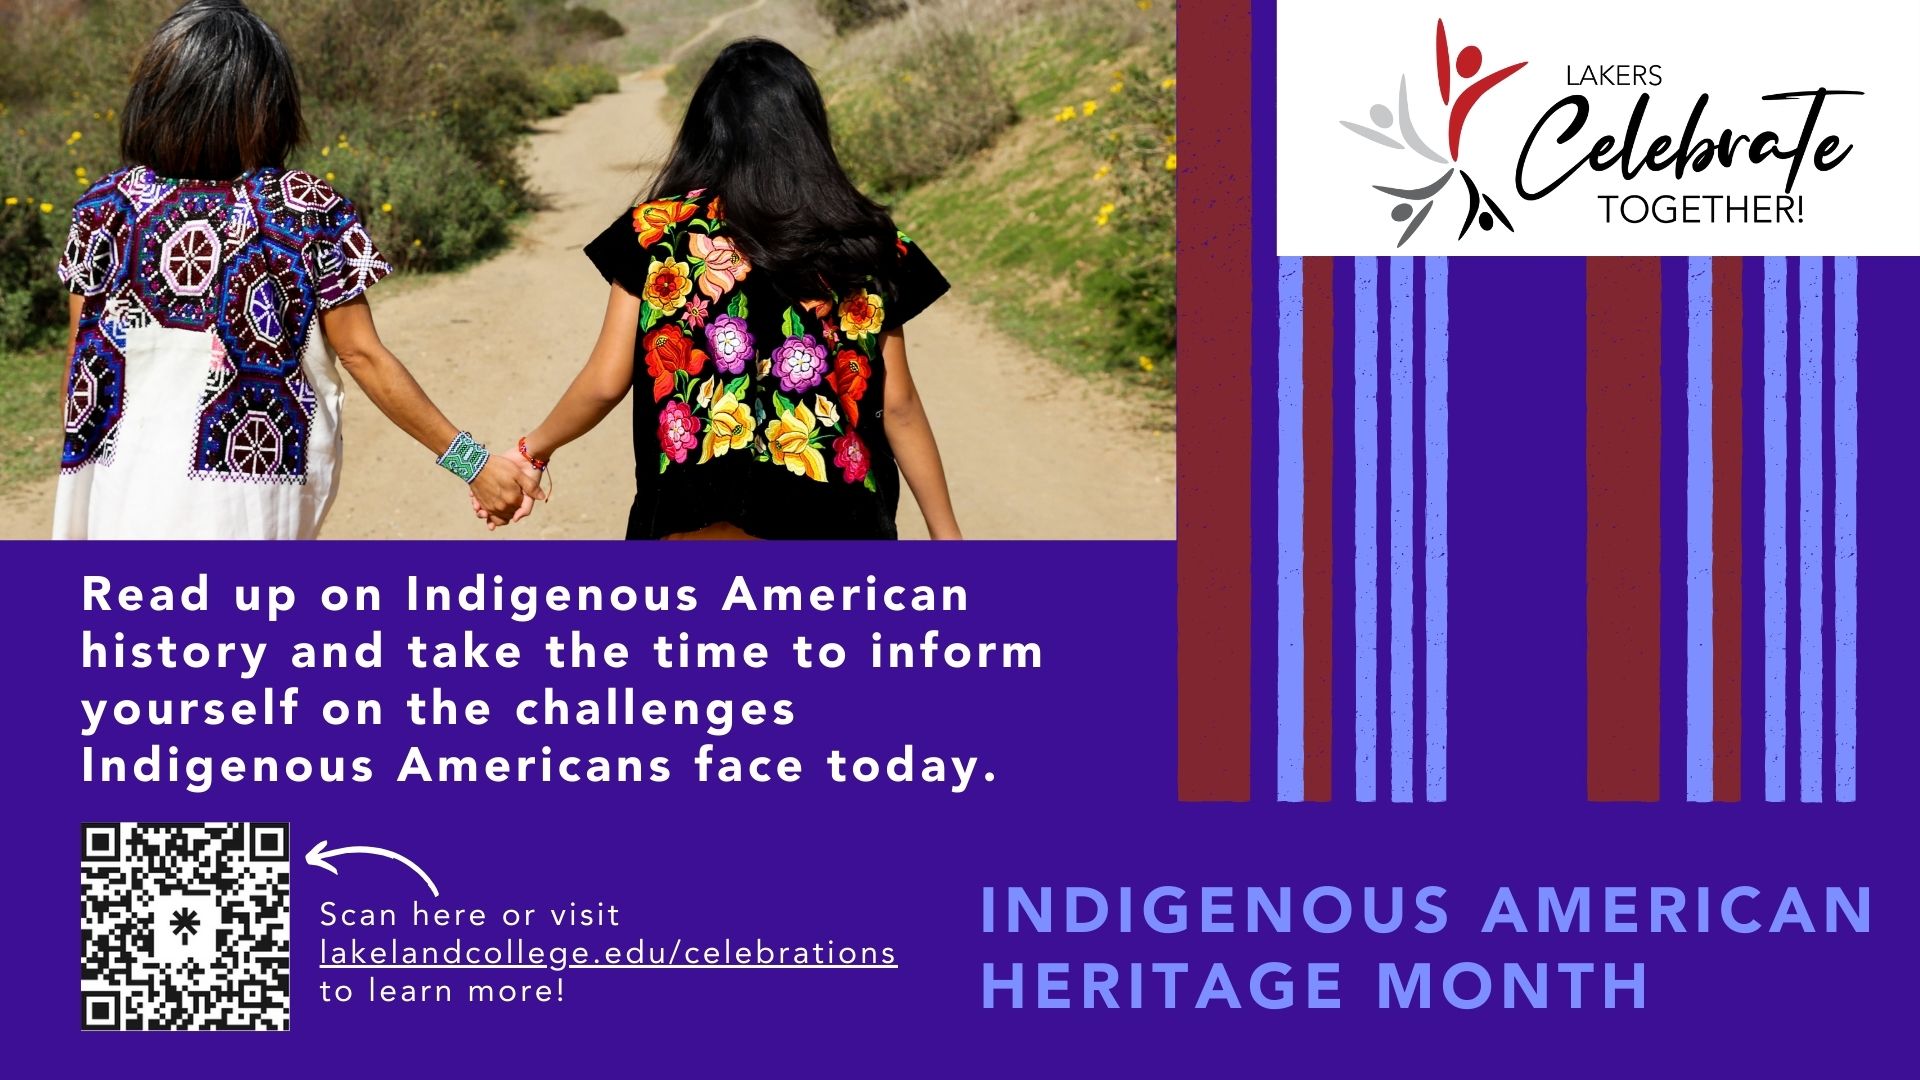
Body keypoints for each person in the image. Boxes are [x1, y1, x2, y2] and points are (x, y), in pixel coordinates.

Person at [52, 0, 541, 539]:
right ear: (267, 103)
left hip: (117, 492)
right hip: (244, 499)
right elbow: (361, 354)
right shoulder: (304, 207)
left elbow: (80, 354)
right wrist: (473, 465)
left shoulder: (104, 207)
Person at [515, 38, 962, 540]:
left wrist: (533, 450)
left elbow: (604, 382)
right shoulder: (866, 243)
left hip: (696, 517)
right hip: (839, 520)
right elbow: (897, 405)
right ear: (808, 130)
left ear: (709, 130)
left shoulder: (657, 233)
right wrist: (947, 537)